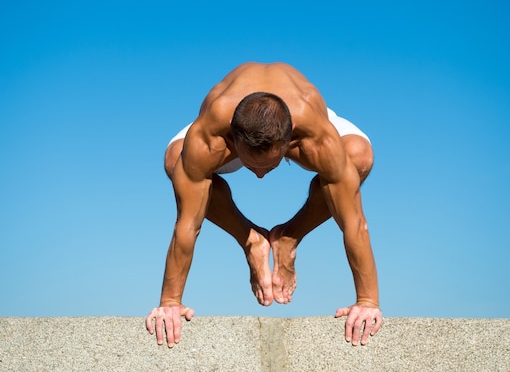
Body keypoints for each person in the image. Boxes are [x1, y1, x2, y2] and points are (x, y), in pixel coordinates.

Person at [146, 62, 383, 347]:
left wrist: (367, 301)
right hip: (227, 121)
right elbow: (187, 224)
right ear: (232, 138)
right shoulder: (211, 134)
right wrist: (170, 301)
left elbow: (354, 221)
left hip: (298, 115)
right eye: (251, 165)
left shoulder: (315, 133)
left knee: (358, 157)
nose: (259, 175)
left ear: (291, 135)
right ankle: (252, 240)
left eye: (269, 166)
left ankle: (288, 237)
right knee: (177, 161)